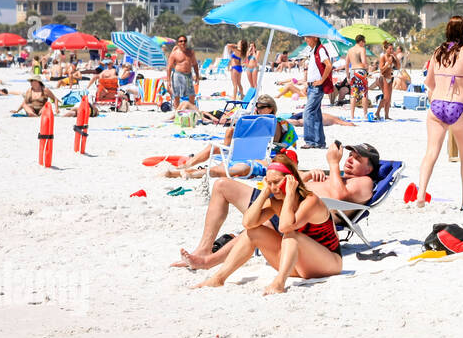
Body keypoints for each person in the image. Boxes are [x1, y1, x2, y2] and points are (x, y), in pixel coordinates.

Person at [175, 142, 380, 269]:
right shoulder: (339, 178)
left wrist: (333, 164)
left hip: (296, 218)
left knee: (256, 226)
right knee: (221, 186)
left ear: (369, 168)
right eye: (350, 156)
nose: (350, 160)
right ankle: (203, 249)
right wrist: (307, 176)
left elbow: (338, 196)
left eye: (358, 159)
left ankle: (208, 262)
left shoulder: (365, 183)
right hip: (280, 199)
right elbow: (300, 183)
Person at [191, 152, 343, 294]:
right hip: (299, 265)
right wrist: (264, 193)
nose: (274, 188)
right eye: (270, 183)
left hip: (329, 263)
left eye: (276, 182)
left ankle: (279, 283)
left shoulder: (310, 201)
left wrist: (290, 194)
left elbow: (285, 226)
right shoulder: (275, 201)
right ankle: (219, 278)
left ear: (291, 180)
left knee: (291, 235)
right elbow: (248, 223)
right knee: (253, 232)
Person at [416, 16, 463, 205]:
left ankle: (420, 196)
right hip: (458, 107)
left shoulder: (438, 52)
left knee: (431, 153)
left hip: (436, 106)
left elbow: (429, 82)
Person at [161, 95, 296, 178]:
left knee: (227, 160)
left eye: (261, 107)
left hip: (261, 156)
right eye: (256, 107)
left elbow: (275, 145)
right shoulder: (267, 122)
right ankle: (185, 167)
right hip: (247, 152)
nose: (257, 110)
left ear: (271, 108)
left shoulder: (273, 123)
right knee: (214, 146)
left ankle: (188, 171)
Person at [301, 35, 333, 149]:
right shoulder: (313, 50)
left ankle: (310, 141)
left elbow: (329, 65)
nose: (306, 39)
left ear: (315, 37)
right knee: (316, 114)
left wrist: (321, 80)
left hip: (316, 87)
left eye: (308, 37)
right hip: (311, 86)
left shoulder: (320, 49)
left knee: (308, 112)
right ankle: (319, 142)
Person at [165, 33, 200, 111]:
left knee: (191, 95)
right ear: (178, 43)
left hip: (188, 75)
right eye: (180, 41)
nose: (183, 43)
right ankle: (177, 112)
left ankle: (191, 111)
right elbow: (169, 67)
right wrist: (168, 80)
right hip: (178, 75)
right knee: (176, 96)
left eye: (184, 41)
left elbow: (195, 64)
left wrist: (197, 76)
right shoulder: (174, 54)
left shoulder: (190, 52)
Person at [345, 34, 370, 120]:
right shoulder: (362, 49)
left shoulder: (350, 50)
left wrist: (347, 76)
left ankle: (352, 115)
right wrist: (367, 68)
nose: (364, 44)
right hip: (360, 71)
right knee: (364, 93)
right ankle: (365, 114)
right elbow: (363, 62)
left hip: (353, 72)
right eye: (364, 42)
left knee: (353, 94)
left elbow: (347, 64)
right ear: (361, 41)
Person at [374, 40, 399, 120]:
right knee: (386, 97)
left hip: (390, 78)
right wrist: (388, 63)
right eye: (390, 49)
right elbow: (381, 69)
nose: (392, 50)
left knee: (389, 99)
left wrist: (396, 58)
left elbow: (398, 67)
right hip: (383, 78)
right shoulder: (383, 57)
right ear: (386, 49)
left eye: (392, 49)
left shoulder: (392, 57)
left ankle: (386, 115)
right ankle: (377, 112)